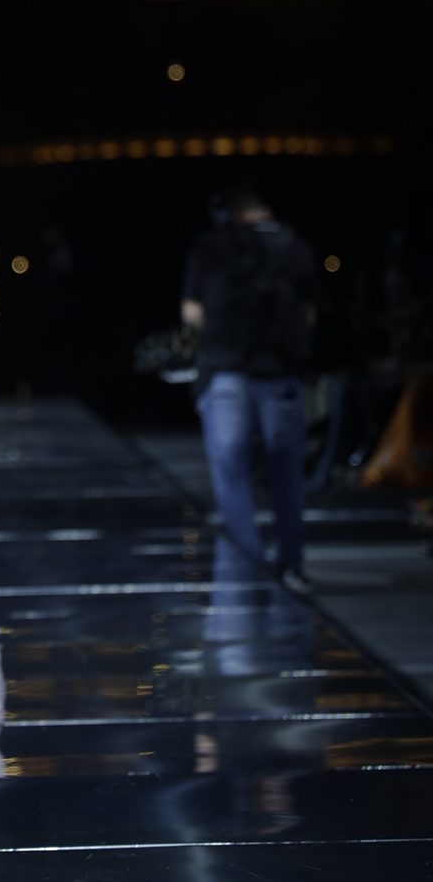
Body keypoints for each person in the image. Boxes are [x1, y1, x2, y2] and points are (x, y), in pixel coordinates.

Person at [182, 183, 317, 591]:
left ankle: (248, 566)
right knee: (286, 472)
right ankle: (290, 563)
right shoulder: (294, 246)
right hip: (279, 372)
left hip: (227, 371)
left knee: (231, 471)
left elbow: (192, 312)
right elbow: (309, 311)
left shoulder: (210, 247)